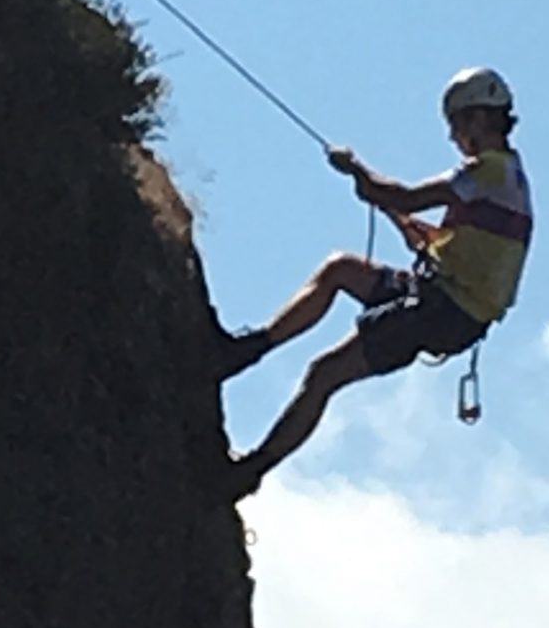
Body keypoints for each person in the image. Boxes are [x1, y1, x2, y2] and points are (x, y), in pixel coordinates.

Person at [222, 67, 533, 495]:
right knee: (341, 270)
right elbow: (427, 229)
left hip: (445, 310)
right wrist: (383, 201)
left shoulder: (487, 172)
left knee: (325, 372)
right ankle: (249, 349)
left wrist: (358, 172)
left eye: (456, 124)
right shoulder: (505, 178)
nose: (453, 137)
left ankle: (248, 471)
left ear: (477, 119)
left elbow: (405, 196)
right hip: (444, 300)